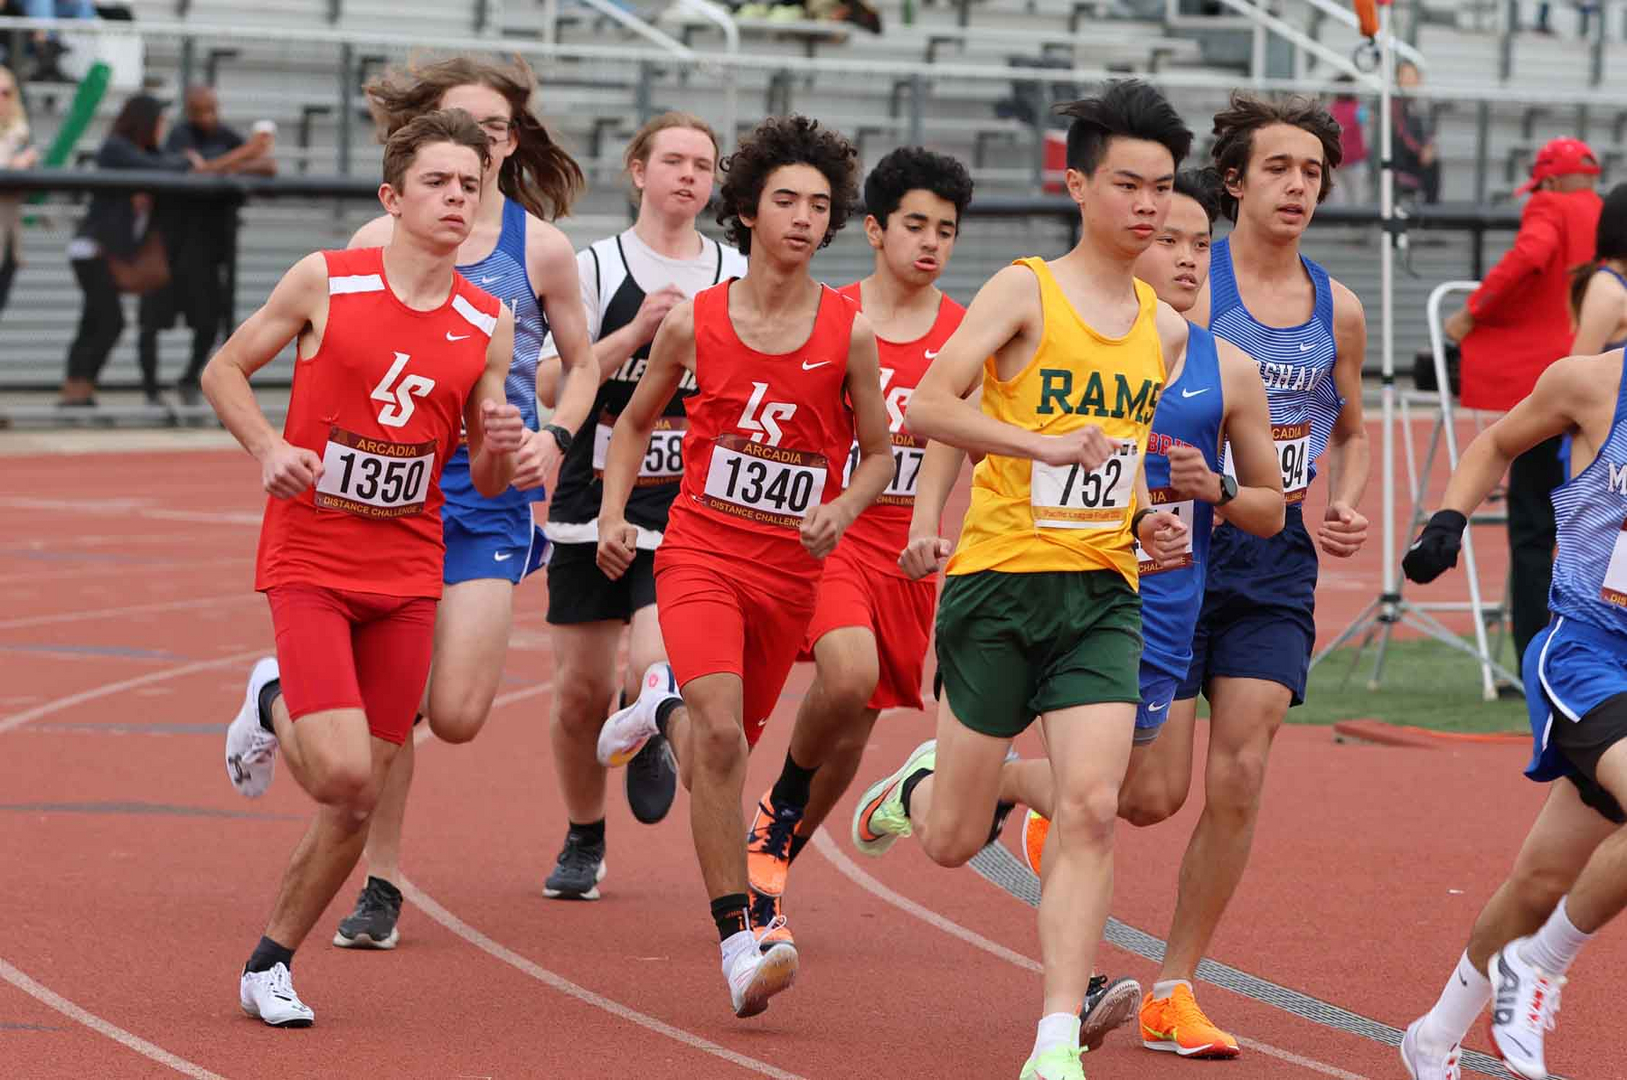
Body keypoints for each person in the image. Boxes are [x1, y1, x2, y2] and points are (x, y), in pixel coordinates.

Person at [849, 79, 1193, 1080]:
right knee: (953, 839)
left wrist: (1144, 521)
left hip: (1100, 591)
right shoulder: (1020, 290)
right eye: (1126, 183)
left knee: (1092, 804)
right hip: (998, 587)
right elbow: (926, 408)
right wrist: (1035, 444)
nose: (1147, 206)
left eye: (1161, 189)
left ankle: (1052, 1041)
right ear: (1077, 185)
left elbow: (1115, 461)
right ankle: (952, 780)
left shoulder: (1159, 329)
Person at [204, 109, 523, 1026]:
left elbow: (486, 467)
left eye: (469, 183)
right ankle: (271, 699)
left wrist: (505, 446)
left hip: (410, 569)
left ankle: (270, 963)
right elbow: (226, 369)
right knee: (341, 776)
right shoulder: (326, 281)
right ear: (392, 197)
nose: (457, 196)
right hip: (311, 553)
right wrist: (267, 446)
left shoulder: (486, 320)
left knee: (362, 792)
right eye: (437, 181)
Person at [966, 166, 1285, 1053]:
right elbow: (974, 429)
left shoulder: (1224, 367)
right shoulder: (1067, 333)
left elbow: (1267, 506)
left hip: (1166, 600)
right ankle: (1062, 1027)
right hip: (1056, 580)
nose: (1183, 257)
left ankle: (987, 781)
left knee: (1150, 797)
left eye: (1197, 244)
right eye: (1166, 239)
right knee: (1096, 805)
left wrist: (1211, 488)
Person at [593, 114, 894, 1018]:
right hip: (700, 555)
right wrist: (612, 512)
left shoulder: (849, 334)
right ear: (750, 212)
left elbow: (878, 455)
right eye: (785, 201)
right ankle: (737, 939)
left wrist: (841, 507)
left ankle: (656, 703)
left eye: (819, 205)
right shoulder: (696, 321)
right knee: (721, 745)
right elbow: (638, 420)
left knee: (716, 755)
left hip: (788, 575)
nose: (803, 218)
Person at [1101, 91, 1369, 1059]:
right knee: (1146, 796)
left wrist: (1340, 499)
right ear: (1234, 182)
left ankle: (1174, 985)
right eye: (1278, 169)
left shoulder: (1337, 306)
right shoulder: (1188, 279)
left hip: (1271, 553)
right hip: (1175, 552)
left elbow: (1350, 425)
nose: (1297, 186)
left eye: (1311, 172)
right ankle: (997, 781)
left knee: (1244, 767)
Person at [323, 55, 598, 949]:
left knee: (459, 714)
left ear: (509, 143)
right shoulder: (375, 242)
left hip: (485, 497)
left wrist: (553, 435)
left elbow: (583, 363)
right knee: (392, 709)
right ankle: (382, 881)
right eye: (456, 124)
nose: (474, 142)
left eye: (490, 129)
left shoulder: (540, 249)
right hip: (393, 490)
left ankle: (281, 694)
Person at [743, 145, 975, 943]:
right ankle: (776, 809)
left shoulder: (968, 337)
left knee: (859, 719)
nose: (930, 243)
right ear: (874, 229)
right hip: (834, 532)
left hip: (910, 553)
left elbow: (982, 451)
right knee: (846, 673)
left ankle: (770, 874)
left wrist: (948, 538)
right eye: (914, 224)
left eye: (945, 230)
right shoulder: (831, 316)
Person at [1399, 346, 1627, 1080]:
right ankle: (1535, 967)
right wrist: (1447, 518)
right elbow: (1496, 439)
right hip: (1587, 653)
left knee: (1539, 880)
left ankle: (1431, 1036)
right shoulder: (1592, 382)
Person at [534, 111, 745, 902]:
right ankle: (584, 833)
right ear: (638, 171)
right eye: (674, 161)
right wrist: (633, 335)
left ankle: (653, 716)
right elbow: (553, 384)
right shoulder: (593, 266)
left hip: (689, 506)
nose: (689, 175)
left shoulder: (733, 269)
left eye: (703, 163)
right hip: (590, 500)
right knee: (578, 694)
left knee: (653, 663)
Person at [1443, 136, 1602, 664]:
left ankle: (1535, 651)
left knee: (1533, 526)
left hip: (1548, 385)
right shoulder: (1603, 215)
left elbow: (1529, 255)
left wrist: (1474, 310)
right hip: (1604, 388)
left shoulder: (1548, 204)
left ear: (1550, 181)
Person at [60, 94, 211, 408]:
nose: (163, 128)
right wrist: (187, 161)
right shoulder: (116, 147)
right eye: (159, 122)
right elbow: (156, 166)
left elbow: (161, 165)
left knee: (95, 319)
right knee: (108, 320)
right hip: (93, 251)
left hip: (111, 253)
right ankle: (78, 389)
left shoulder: (145, 153)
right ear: (145, 122)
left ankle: (78, 390)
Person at [137, 85, 276, 406]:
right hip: (168, 246)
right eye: (200, 111)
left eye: (212, 109)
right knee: (152, 322)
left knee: (209, 322)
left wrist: (225, 163)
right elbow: (191, 171)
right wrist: (243, 156)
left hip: (209, 250)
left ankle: (189, 380)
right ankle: (151, 390)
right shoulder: (179, 135)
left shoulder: (224, 135)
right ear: (189, 111)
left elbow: (268, 166)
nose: (208, 117)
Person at [0, 65, 37, 318]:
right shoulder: (15, 140)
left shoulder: (19, 134)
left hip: (7, 242)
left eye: (7, 92)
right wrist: (13, 164)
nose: (2, 99)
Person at [1392, 61, 1440, 205]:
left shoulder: (1421, 104)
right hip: (1401, 161)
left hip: (1418, 160)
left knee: (1434, 163)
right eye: (1406, 76)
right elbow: (1401, 134)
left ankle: (1431, 214)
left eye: (1413, 76)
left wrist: (1429, 148)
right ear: (1398, 79)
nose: (1410, 80)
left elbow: (1430, 132)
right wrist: (1421, 152)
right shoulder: (1394, 103)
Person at [1328, 77, 1369, 206]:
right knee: (1349, 199)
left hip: (1352, 163)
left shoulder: (1358, 109)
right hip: (1339, 164)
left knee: (1349, 199)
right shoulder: (1331, 109)